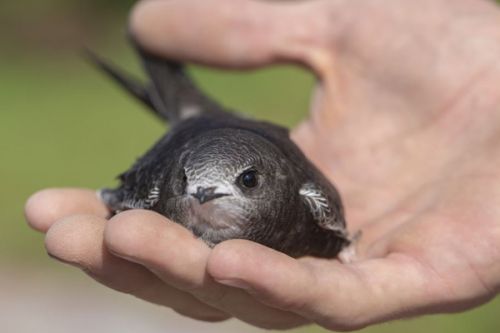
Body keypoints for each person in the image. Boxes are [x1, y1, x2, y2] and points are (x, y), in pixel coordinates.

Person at [25, 0, 500, 330]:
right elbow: (165, 185)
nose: (201, 196)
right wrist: (116, 200)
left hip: (237, 133)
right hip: (198, 133)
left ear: (270, 183)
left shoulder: (307, 195)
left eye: (245, 183)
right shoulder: (169, 187)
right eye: (190, 185)